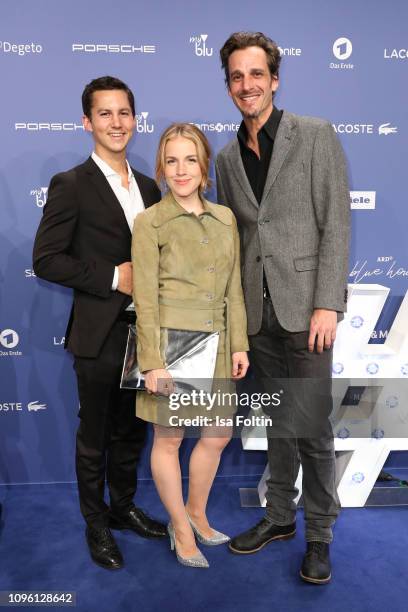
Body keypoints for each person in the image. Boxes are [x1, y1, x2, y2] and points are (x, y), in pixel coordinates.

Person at [215, 32, 350, 584]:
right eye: (236, 77)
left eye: (255, 74)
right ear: (229, 85)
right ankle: (279, 517)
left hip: (306, 313)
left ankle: (319, 534)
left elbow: (336, 222)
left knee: (313, 428)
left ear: (274, 79)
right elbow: (239, 239)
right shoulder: (225, 157)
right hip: (258, 315)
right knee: (276, 423)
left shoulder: (314, 136)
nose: (246, 85)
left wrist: (327, 303)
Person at [33, 76, 166, 571]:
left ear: (135, 119)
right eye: (105, 114)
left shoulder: (151, 187)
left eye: (124, 113)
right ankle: (96, 523)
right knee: (94, 435)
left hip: (147, 334)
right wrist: (114, 276)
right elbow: (46, 259)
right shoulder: (71, 184)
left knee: (132, 430)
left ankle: (123, 506)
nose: (116, 122)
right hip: (99, 332)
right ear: (87, 122)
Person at [132, 123, 249, 568]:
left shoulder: (225, 219)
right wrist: (153, 362)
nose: (181, 170)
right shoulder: (150, 222)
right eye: (172, 160)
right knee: (169, 440)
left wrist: (239, 344)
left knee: (217, 435)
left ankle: (197, 513)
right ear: (163, 167)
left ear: (205, 167)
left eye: (190, 160)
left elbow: (234, 288)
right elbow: (144, 298)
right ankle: (179, 527)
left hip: (219, 343)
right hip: (172, 346)